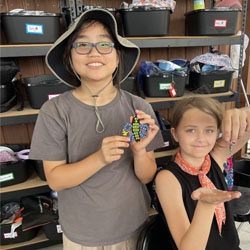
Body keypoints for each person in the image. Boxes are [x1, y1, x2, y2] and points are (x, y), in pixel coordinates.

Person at [29, 8, 164, 250]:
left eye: (105, 45)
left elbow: (146, 176)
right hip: (82, 233)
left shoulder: (138, 108)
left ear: (118, 56)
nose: (94, 53)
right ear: (69, 57)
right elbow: (55, 179)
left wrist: (141, 151)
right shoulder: (55, 111)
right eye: (82, 45)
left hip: (132, 225)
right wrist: (100, 158)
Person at [155, 96, 250, 250]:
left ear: (217, 133)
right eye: (191, 130)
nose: (201, 138)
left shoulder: (215, 157)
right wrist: (206, 205)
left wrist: (245, 113)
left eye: (209, 130)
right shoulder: (167, 178)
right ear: (175, 134)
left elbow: (247, 127)